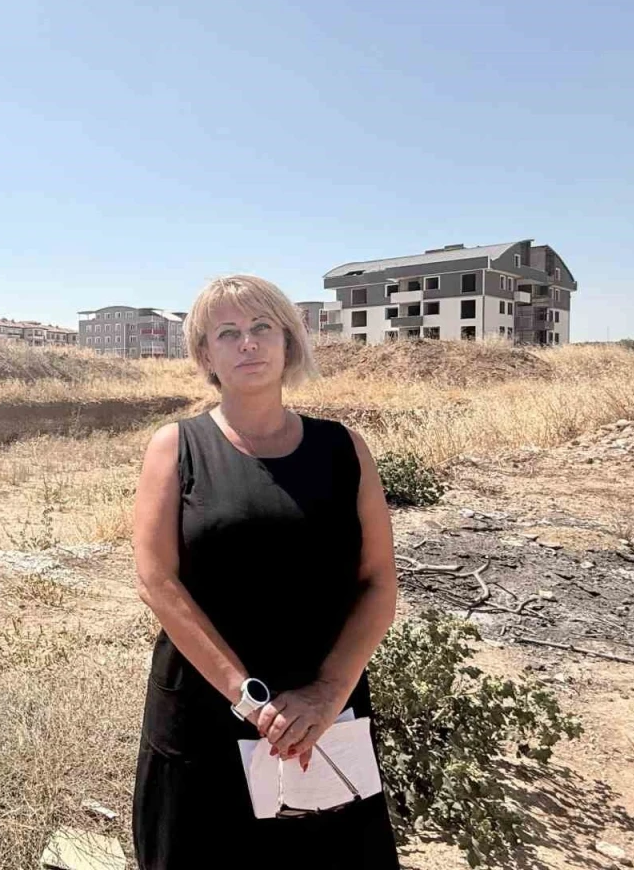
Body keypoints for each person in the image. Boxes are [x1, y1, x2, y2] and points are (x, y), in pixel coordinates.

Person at [132, 274, 399, 868]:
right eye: (227, 333)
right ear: (206, 355)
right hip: (207, 711)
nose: (247, 343)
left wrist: (326, 695)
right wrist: (250, 699)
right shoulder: (176, 447)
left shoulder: (345, 449)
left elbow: (379, 581)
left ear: (288, 342)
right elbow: (157, 582)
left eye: (261, 328)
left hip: (322, 714)